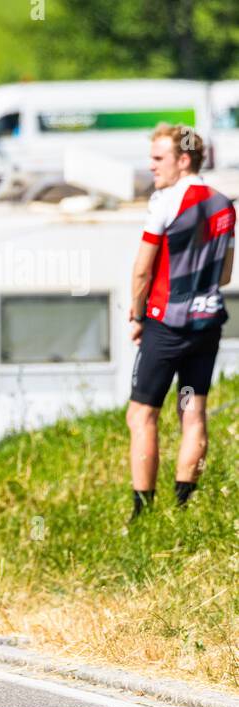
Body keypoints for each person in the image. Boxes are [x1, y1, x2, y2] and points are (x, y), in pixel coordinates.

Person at [127, 124, 234, 519]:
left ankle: (143, 512)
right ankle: (183, 508)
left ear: (183, 159)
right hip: (206, 325)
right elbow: (225, 276)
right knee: (191, 411)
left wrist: (137, 314)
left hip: (166, 326)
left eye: (158, 159)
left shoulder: (165, 202)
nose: (151, 167)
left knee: (142, 414)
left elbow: (142, 270)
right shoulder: (225, 204)